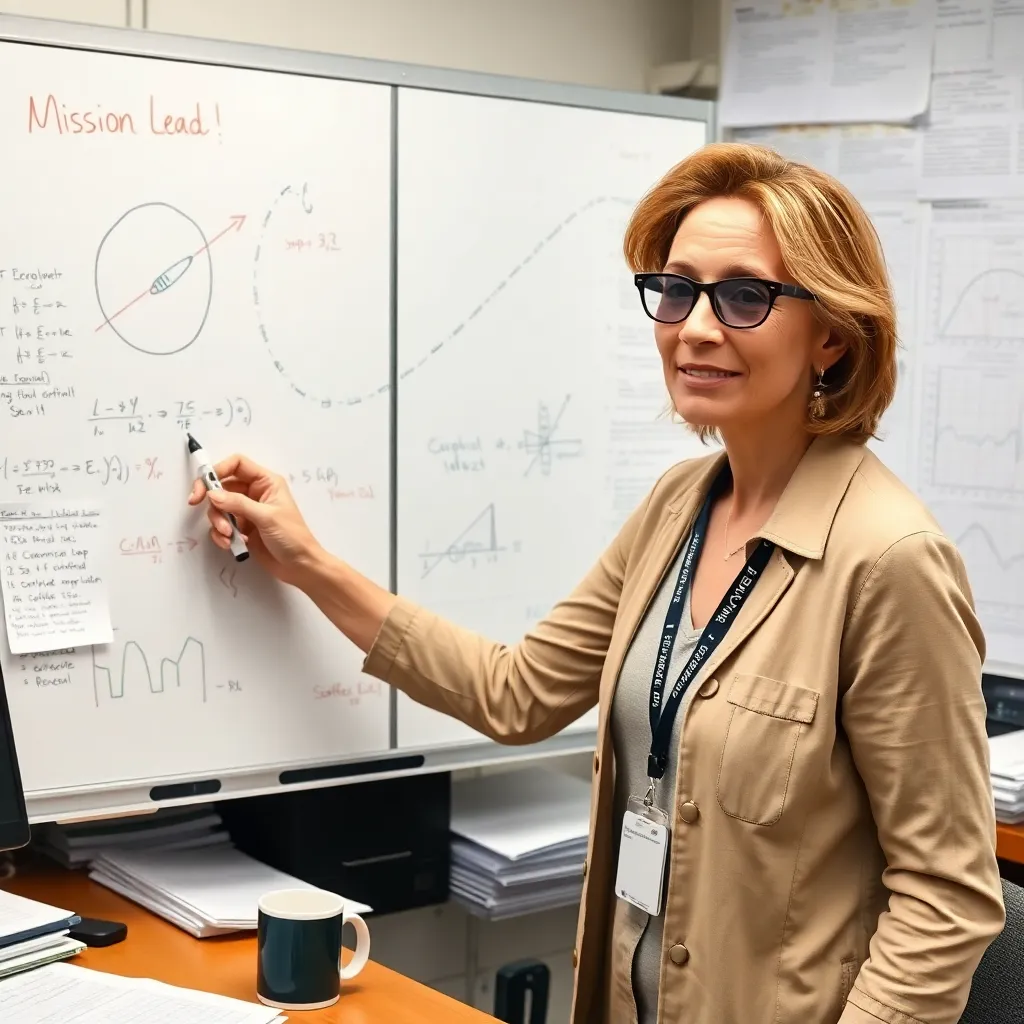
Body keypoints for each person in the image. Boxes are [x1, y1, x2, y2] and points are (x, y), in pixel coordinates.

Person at [189, 142, 1004, 1024]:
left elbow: (945, 898)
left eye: (744, 296)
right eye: (678, 288)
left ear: (833, 337)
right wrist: (308, 563)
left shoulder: (890, 559)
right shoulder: (676, 508)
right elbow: (518, 693)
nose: (694, 326)